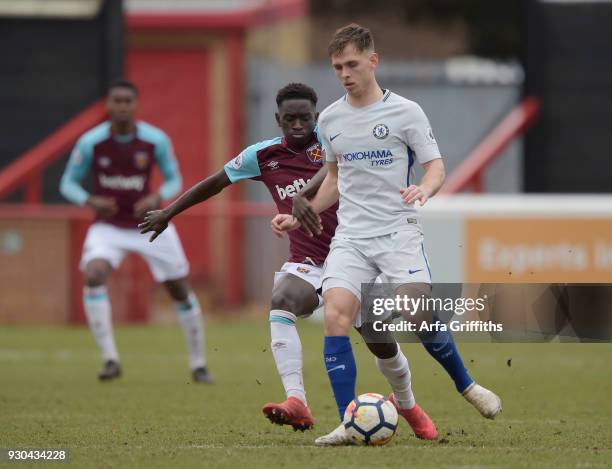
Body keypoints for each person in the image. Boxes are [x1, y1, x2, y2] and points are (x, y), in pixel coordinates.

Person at [139, 83, 436, 439]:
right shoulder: (262, 155)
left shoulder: (337, 143)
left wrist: (306, 194)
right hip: (308, 263)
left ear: (316, 117)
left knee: (380, 342)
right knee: (281, 301)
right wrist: (170, 212)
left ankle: (408, 405)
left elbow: (333, 170)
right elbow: (215, 182)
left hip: (357, 256)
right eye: (289, 119)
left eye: (305, 118)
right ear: (277, 118)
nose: (297, 125)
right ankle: (297, 399)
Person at [273, 24, 502, 445]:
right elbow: (335, 179)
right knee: (337, 316)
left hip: (398, 232)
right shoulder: (331, 119)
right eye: (338, 66)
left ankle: (467, 386)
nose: (344, 73)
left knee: (414, 309)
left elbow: (435, 166)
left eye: (352, 64)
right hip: (352, 237)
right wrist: (298, 214)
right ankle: (347, 420)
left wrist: (424, 190)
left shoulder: (406, 112)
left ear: (373, 61)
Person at [59, 79, 212, 383]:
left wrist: (157, 198)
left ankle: (198, 364)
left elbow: (174, 179)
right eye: (116, 101)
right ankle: (110, 360)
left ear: (135, 105)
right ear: (108, 105)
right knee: (93, 274)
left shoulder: (155, 140)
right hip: (109, 227)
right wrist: (89, 199)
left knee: (179, 290)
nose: (122, 107)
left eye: (127, 101)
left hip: (151, 224)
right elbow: (68, 183)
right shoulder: (92, 142)